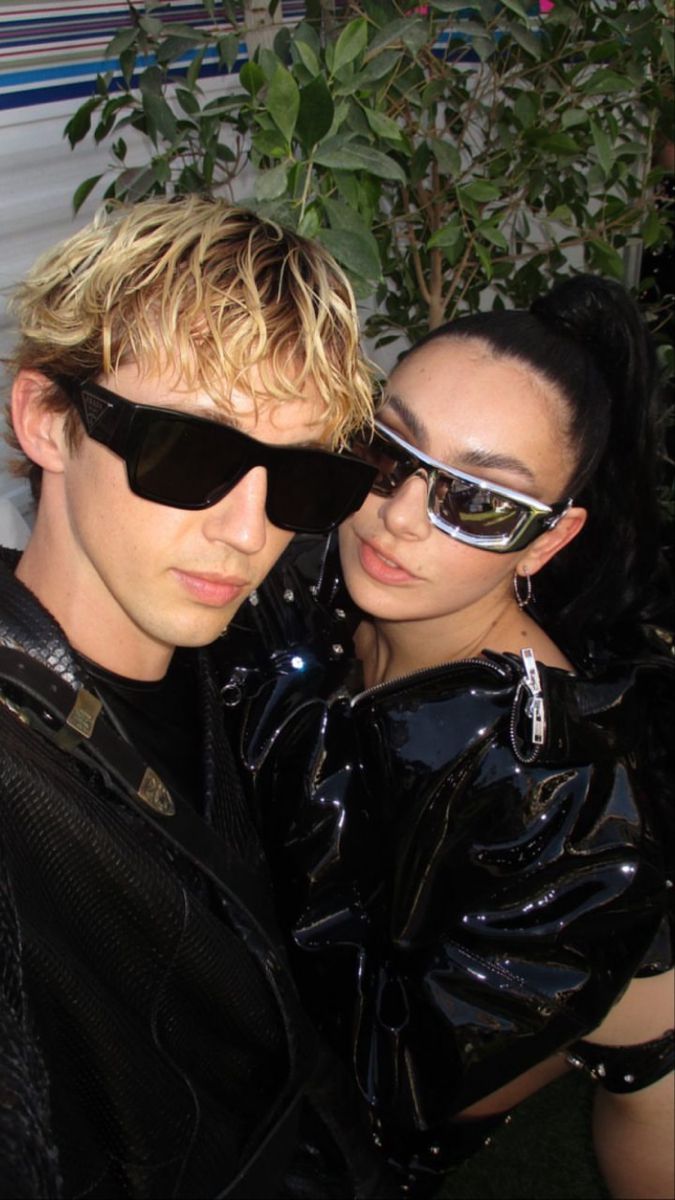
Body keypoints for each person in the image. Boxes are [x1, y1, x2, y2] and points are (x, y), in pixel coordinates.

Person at [219, 274, 675, 1199]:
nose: (398, 516)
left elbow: (412, 1090)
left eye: (477, 504)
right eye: (388, 453)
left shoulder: (556, 788)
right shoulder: (313, 581)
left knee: (648, 1074)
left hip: (616, 956)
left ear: (544, 543)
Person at [0, 196, 383, 1197]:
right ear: (47, 419)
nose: (250, 532)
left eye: (299, 477)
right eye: (195, 456)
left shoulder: (221, 664)